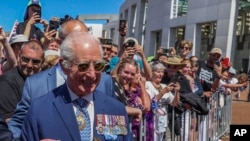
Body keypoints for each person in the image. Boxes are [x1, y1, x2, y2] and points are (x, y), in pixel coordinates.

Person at [7, 19, 115, 139]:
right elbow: (19, 125)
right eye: (74, 39)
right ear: (59, 42)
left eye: (85, 37)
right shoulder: (35, 84)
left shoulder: (105, 82)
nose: (91, 75)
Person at [21, 31, 132, 141]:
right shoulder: (40, 110)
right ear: (65, 66)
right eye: (83, 66)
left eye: (98, 66)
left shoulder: (115, 109)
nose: (92, 75)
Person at [0, 40, 44, 121]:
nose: (29, 65)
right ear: (19, 56)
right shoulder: (6, 81)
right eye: (25, 59)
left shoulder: (44, 80)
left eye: (35, 61)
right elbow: (9, 120)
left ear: (42, 62)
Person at [145, 61, 180, 140]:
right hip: (151, 120)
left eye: (162, 72)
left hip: (162, 121)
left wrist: (177, 92)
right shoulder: (147, 84)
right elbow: (151, 102)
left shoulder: (164, 86)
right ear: (152, 72)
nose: (160, 74)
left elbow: (174, 104)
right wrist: (163, 92)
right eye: (158, 72)